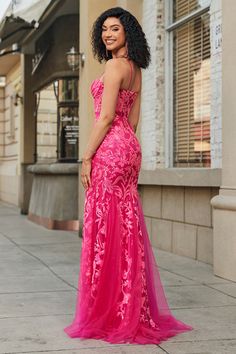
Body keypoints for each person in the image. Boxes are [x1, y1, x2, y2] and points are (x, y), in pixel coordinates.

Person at [64, 7, 193, 345]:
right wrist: (125, 149)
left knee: (105, 225)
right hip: (129, 148)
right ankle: (129, 307)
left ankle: (109, 310)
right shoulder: (136, 69)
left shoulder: (114, 65)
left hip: (109, 148)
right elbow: (132, 120)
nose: (108, 34)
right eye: (104, 29)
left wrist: (87, 156)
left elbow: (105, 117)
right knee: (126, 223)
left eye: (115, 29)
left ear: (128, 33)